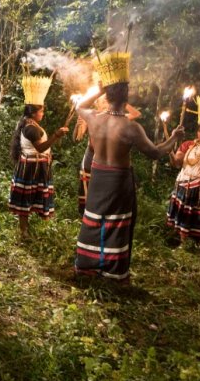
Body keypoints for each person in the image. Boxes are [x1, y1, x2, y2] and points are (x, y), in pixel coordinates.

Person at [73, 83, 184, 282]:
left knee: (94, 216)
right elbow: (156, 153)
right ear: (126, 101)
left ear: (106, 98)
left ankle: (86, 265)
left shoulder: (94, 118)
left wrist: (99, 89)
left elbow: (79, 106)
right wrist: (174, 137)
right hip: (117, 178)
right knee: (116, 222)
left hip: (98, 174)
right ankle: (112, 270)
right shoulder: (131, 127)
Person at [8, 105, 68, 240]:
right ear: (33, 113)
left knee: (33, 195)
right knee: (25, 198)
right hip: (31, 167)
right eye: (41, 111)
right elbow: (40, 148)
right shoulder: (30, 128)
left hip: (34, 166)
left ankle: (36, 230)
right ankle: (24, 232)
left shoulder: (28, 123)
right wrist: (56, 135)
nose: (43, 114)